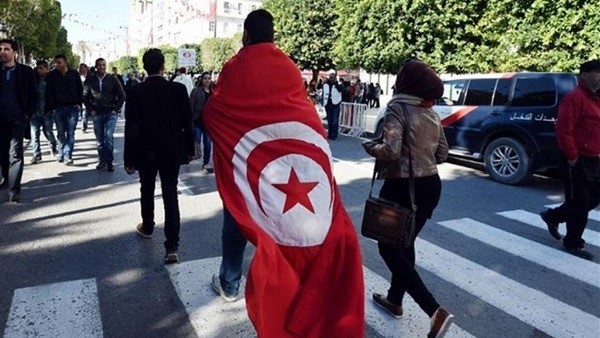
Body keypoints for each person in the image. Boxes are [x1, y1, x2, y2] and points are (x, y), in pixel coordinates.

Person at [203, 9, 364, 337]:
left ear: (246, 35)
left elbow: (216, 112)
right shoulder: (289, 66)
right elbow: (300, 108)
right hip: (295, 161)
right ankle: (292, 281)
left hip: (255, 163)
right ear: (274, 35)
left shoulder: (236, 66)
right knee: (290, 227)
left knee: (239, 217)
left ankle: (230, 283)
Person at [362, 58, 454, 338]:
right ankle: (395, 300)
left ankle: (434, 311)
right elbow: (442, 154)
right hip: (430, 187)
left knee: (389, 249)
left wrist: (369, 145)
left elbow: (389, 151)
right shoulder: (432, 113)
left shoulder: (397, 109)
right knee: (406, 242)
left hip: (402, 187)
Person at [124, 48, 194, 264]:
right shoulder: (178, 90)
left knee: (147, 188)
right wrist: (190, 149)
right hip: (171, 150)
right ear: (163, 66)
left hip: (146, 151)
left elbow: (132, 127)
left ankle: (148, 226)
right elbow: (187, 122)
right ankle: (172, 245)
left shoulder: (136, 92)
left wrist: (129, 158)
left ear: (145, 67)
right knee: (170, 194)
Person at [539, 59, 600, 260]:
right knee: (580, 202)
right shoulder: (574, 98)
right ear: (584, 74)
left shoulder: (595, 98)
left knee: (594, 197)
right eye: (598, 72)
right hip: (577, 158)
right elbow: (564, 130)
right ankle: (573, 242)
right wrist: (573, 158)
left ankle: (553, 216)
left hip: (594, 158)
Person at [0, 39, 36, 203]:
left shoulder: (26, 72)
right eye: (0, 49)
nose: (2, 52)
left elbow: (33, 95)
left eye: (6, 49)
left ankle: (14, 190)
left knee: (15, 154)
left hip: (17, 119)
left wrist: (27, 114)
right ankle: (6, 179)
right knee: (2, 154)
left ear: (14, 52)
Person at [83, 58, 126, 172]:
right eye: (99, 65)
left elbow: (122, 95)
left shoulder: (113, 79)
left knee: (108, 136)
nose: (102, 67)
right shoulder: (90, 80)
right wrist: (90, 109)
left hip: (110, 113)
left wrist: (116, 109)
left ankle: (110, 161)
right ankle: (102, 160)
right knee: (100, 139)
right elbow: (85, 96)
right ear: (96, 66)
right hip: (97, 113)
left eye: (104, 65)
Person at [46, 54, 83, 165]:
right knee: (61, 132)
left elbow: (80, 89)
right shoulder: (52, 75)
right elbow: (49, 92)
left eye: (59, 62)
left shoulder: (74, 74)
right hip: (58, 108)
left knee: (70, 133)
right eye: (56, 63)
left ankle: (68, 155)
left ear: (65, 62)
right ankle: (61, 152)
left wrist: (79, 103)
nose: (57, 65)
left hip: (72, 108)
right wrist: (51, 107)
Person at [29, 60, 58, 164]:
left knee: (48, 132)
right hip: (35, 112)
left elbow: (54, 94)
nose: (39, 70)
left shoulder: (51, 79)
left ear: (47, 69)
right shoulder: (34, 79)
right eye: (38, 68)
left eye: (41, 68)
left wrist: (52, 107)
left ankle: (53, 144)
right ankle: (36, 155)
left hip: (47, 112)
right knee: (34, 134)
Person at [189, 71, 214, 172]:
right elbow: (190, 106)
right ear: (201, 80)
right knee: (197, 141)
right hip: (197, 120)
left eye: (208, 78)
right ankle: (191, 156)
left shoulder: (214, 92)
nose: (207, 80)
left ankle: (206, 163)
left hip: (208, 123)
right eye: (205, 78)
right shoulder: (196, 91)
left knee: (207, 144)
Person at [322, 70, 343, 140]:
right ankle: (330, 134)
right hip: (328, 104)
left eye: (333, 77)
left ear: (335, 78)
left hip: (335, 104)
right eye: (330, 77)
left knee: (335, 120)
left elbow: (341, 90)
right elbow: (323, 93)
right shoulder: (325, 84)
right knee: (329, 120)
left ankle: (334, 135)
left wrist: (336, 83)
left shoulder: (339, 84)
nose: (331, 79)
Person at [78, 63, 89, 132]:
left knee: (85, 112)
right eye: (80, 68)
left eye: (82, 67)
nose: (81, 69)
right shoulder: (77, 77)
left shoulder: (90, 77)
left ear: (86, 68)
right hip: (79, 97)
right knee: (81, 112)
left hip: (86, 98)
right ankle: (83, 122)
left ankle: (84, 126)